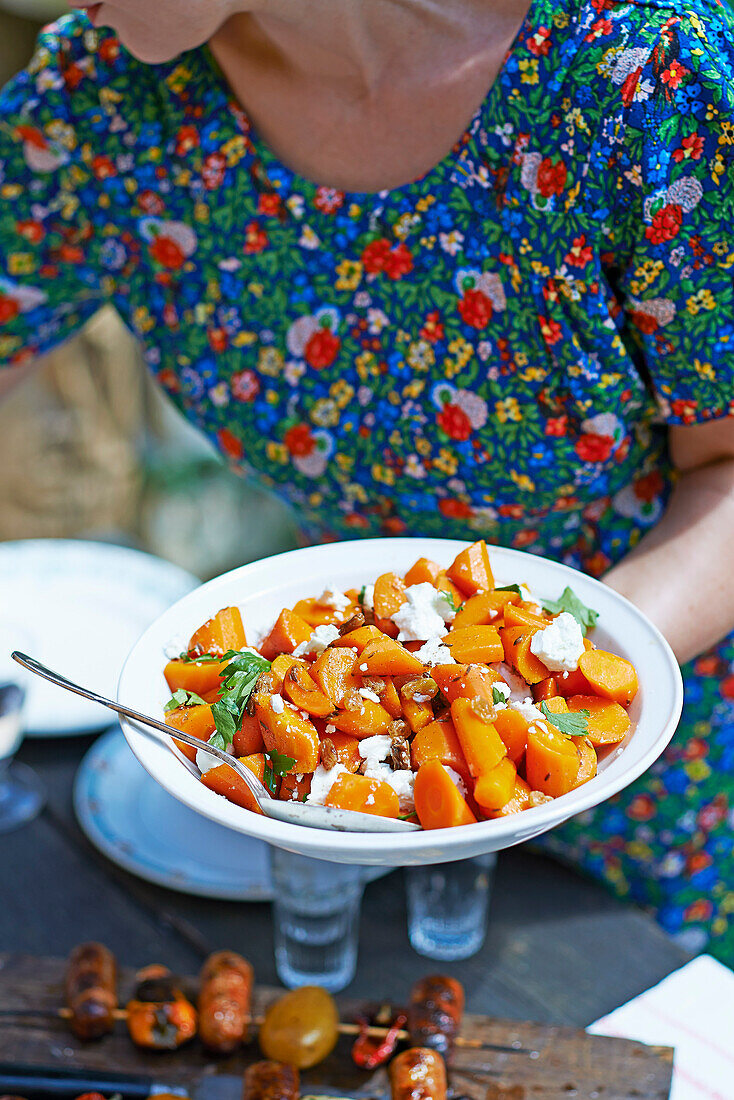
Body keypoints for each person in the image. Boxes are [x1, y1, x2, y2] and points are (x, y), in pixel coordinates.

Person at [0, 0, 732, 960]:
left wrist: (517, 697)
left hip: (646, 764)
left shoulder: (650, 80)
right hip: (319, 777)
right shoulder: (104, 98)